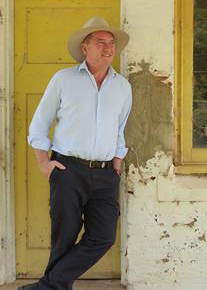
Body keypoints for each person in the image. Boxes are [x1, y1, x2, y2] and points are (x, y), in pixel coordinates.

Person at [19, 16, 132, 290]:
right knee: (64, 237)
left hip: (106, 174)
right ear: (85, 47)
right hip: (68, 170)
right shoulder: (64, 79)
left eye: (111, 43)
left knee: (103, 236)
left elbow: (120, 127)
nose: (108, 48)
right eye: (100, 42)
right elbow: (40, 123)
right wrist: (43, 162)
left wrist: (117, 162)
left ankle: (45, 287)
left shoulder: (122, 86)